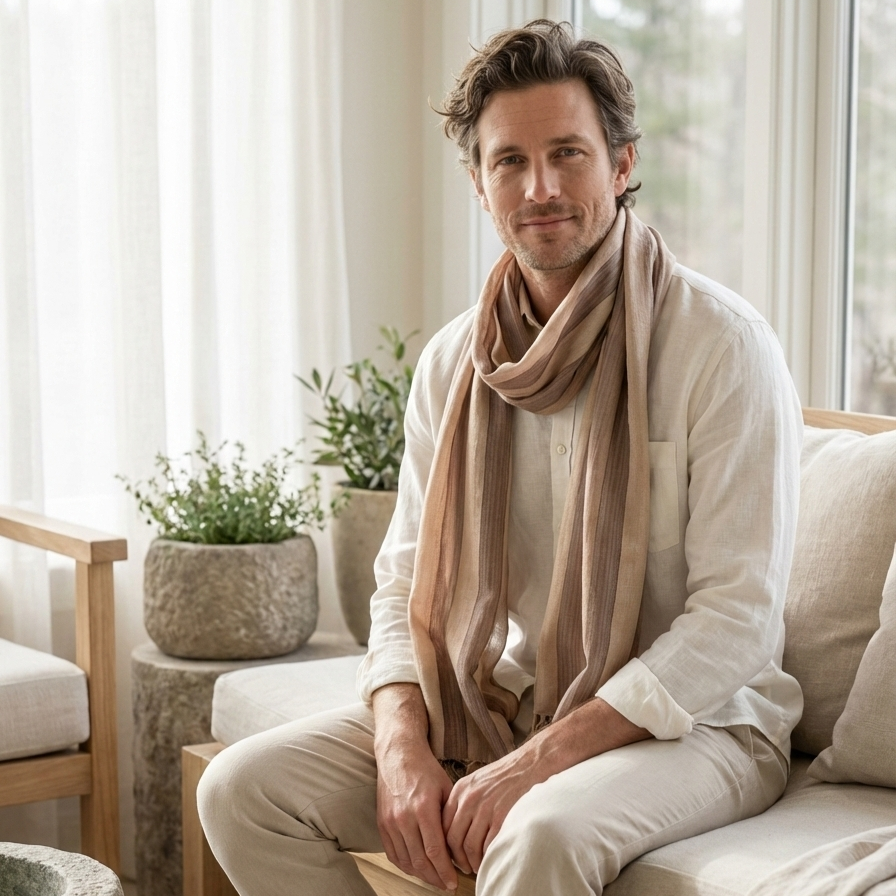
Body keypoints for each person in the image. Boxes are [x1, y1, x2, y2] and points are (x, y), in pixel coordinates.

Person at [198, 20, 803, 896]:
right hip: (507, 701)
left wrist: (537, 764)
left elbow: (737, 621)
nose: (541, 186)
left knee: (538, 832)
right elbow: (405, 583)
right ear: (480, 184)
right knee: (244, 791)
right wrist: (402, 747)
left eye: (569, 153)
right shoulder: (455, 362)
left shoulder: (721, 346)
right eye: (510, 161)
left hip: (704, 727)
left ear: (623, 164)